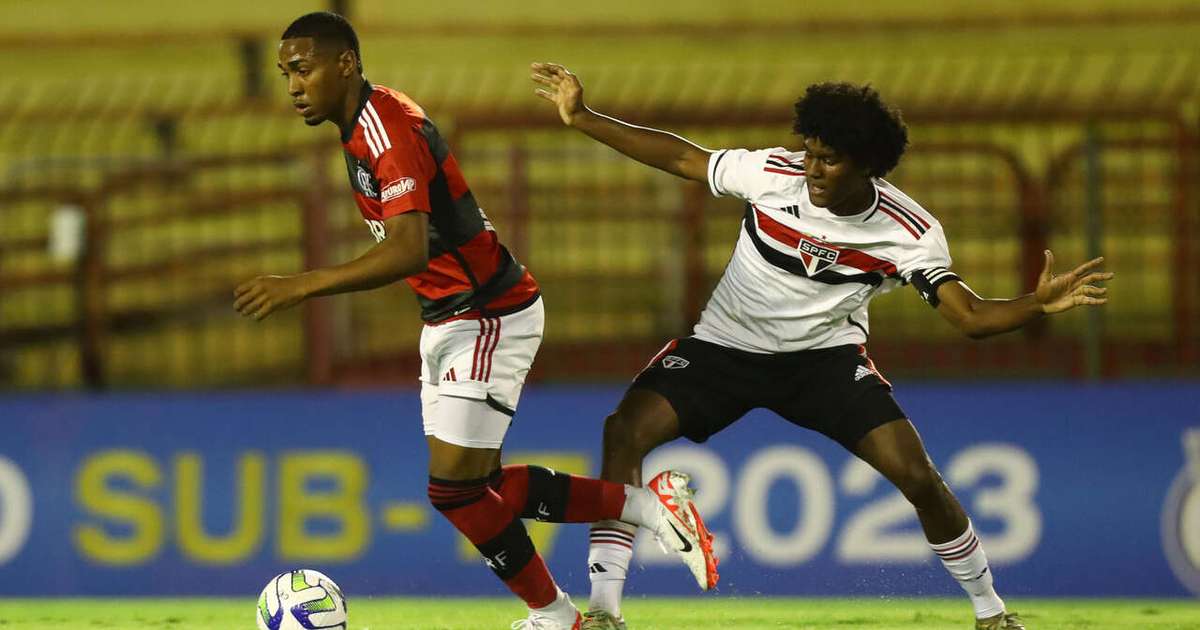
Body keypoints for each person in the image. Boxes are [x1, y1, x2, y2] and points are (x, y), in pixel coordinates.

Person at [531, 62, 1114, 630]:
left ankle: (991, 612)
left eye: (829, 159)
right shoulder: (773, 174)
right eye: (809, 151)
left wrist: (1035, 304)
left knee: (918, 477)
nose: (811, 168)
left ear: (868, 168)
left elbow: (970, 317)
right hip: (724, 348)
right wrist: (584, 118)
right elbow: (683, 156)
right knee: (623, 431)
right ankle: (605, 610)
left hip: (823, 363)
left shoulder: (907, 231)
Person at [234, 14, 718, 630]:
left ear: (346, 64)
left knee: (454, 490)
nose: (294, 86)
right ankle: (645, 514)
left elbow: (409, 248)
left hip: (488, 311)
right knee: (480, 486)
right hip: (448, 316)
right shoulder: (360, 127)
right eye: (285, 75)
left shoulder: (388, 129)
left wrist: (304, 284)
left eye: (302, 69)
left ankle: (558, 613)